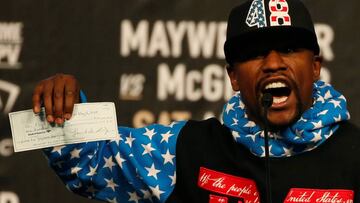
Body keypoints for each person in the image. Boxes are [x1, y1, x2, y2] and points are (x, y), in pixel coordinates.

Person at [32, 0, 360, 202]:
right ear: (233, 77)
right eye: (255, 53)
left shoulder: (354, 155)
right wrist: (65, 106)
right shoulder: (187, 150)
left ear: (315, 66)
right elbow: (93, 160)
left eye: (288, 49)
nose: (273, 62)